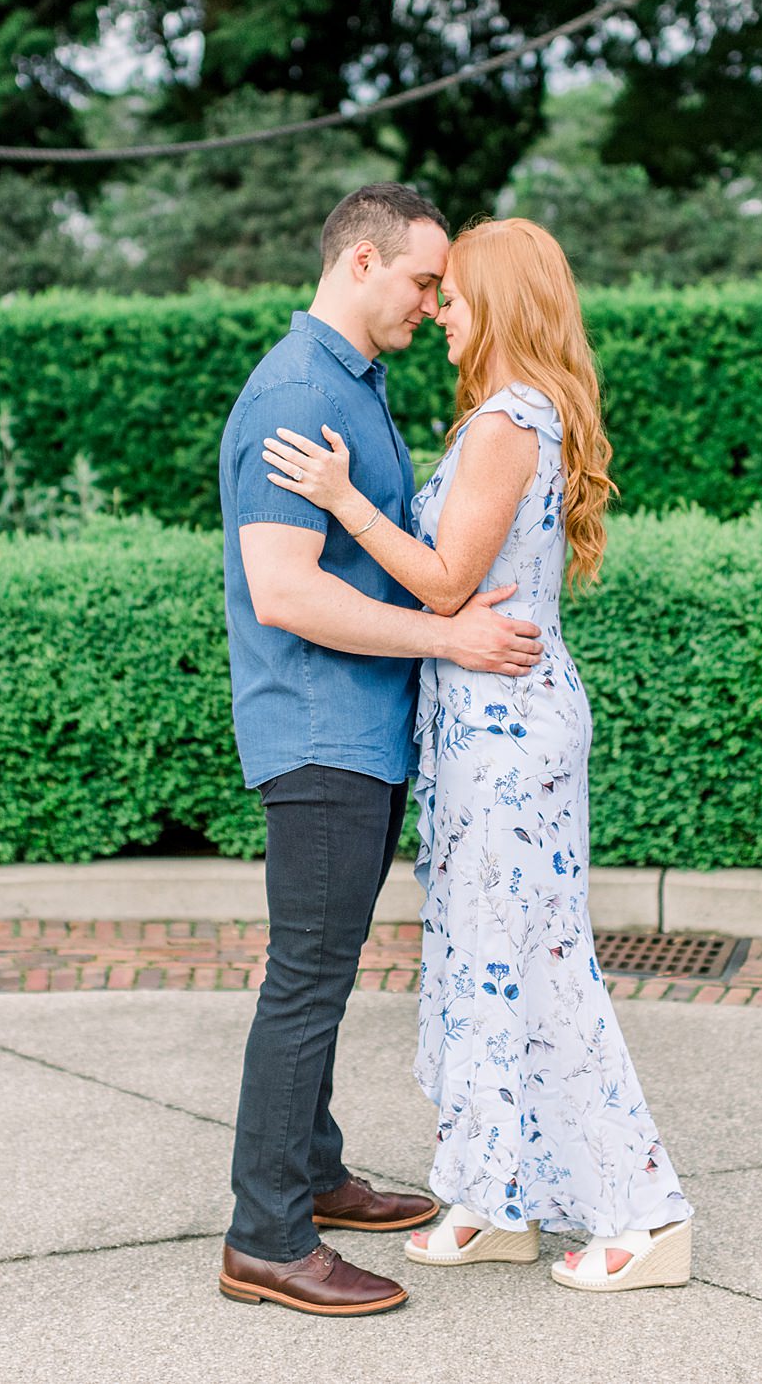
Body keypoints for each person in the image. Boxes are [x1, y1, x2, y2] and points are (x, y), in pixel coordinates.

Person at [259, 217, 693, 1294]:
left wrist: (344, 498)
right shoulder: (496, 420)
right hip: (473, 730)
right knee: (479, 962)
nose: (439, 311)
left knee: (540, 966)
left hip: (508, 733)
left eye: (454, 296)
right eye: (433, 291)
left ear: (497, 305)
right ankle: (497, 1194)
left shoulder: (510, 419)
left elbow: (448, 584)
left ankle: (647, 1214)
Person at [216, 184, 547, 1318]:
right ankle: (266, 1235)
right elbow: (284, 589)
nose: (432, 300)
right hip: (320, 734)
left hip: (357, 732)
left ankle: (313, 1173)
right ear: (360, 264)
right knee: (306, 980)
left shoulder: (354, 385)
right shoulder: (300, 393)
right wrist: (449, 634)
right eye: (419, 280)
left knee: (316, 970)